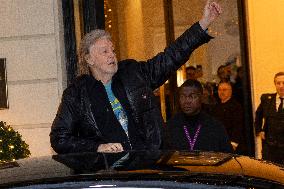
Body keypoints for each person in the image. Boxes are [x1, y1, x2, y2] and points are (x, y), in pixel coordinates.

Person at [50, 0, 222, 154]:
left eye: (113, 50)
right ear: (89, 59)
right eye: (105, 51)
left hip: (150, 167)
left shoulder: (134, 74)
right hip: (110, 175)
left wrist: (204, 22)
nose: (112, 55)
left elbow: (171, 56)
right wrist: (96, 147)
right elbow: (59, 138)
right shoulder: (76, 94)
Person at [163, 79, 232, 153]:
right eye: (182, 96)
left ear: (201, 98)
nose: (187, 101)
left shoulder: (214, 126)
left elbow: (228, 156)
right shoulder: (171, 126)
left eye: (192, 96)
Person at [254, 72, 284, 164]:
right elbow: (258, 115)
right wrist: (259, 131)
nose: (281, 86)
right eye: (278, 83)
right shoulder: (267, 99)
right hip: (270, 147)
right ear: (275, 84)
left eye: (283, 83)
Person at [211, 81, 246, 154]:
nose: (221, 92)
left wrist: (233, 144)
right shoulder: (216, 107)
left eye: (224, 90)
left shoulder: (236, 106)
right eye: (219, 90)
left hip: (232, 145)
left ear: (230, 91)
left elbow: (238, 126)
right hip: (218, 144)